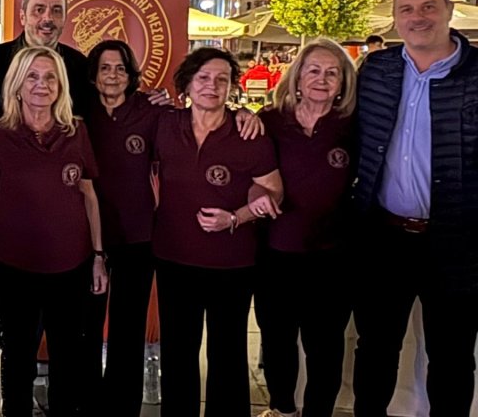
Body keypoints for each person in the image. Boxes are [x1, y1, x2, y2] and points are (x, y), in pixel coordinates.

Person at [352, 0, 478, 416]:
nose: (417, 17)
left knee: (453, 354)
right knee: (375, 348)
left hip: (458, 241)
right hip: (384, 237)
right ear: (394, 17)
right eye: (406, 9)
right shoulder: (377, 70)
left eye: (428, 7)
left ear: (449, 10)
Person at [0, 46, 108, 416]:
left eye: (50, 77)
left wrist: (98, 257)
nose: (41, 84)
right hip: (14, 268)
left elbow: (90, 197)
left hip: (72, 266)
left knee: (68, 355)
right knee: (17, 357)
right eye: (32, 76)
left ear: (61, 86)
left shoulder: (76, 130)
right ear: (16, 85)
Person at [153, 47, 282, 417]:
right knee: (177, 352)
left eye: (221, 79)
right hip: (174, 257)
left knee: (227, 353)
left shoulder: (248, 133)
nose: (212, 85)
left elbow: (273, 191)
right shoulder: (165, 124)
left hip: (232, 263)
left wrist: (236, 217)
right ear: (187, 84)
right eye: (204, 78)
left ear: (231, 88)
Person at [255, 38, 357, 417]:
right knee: (277, 341)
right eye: (313, 70)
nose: (322, 79)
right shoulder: (268, 121)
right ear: (297, 77)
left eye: (332, 73)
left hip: (332, 258)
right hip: (274, 255)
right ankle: (282, 410)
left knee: (325, 347)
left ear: (343, 83)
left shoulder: (354, 126)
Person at [85, 40, 169, 415]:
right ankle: (88, 403)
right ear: (93, 75)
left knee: (128, 326)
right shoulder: (79, 113)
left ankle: (123, 406)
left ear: (131, 75)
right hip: (87, 237)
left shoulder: (150, 111)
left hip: (138, 235)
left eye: (120, 68)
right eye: (105, 68)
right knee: (86, 325)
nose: (113, 76)